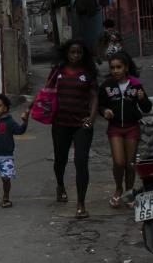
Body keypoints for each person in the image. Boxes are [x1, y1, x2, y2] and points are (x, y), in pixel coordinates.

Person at [47, 39, 99, 218]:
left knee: (81, 161)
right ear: (66, 53)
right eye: (72, 52)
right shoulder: (58, 71)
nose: (75, 56)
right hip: (60, 123)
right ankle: (60, 185)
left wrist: (92, 117)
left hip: (82, 124)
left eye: (79, 53)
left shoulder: (88, 73)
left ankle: (81, 203)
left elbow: (94, 96)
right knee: (60, 159)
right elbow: (47, 92)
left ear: (83, 55)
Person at [98, 51, 152, 207]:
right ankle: (118, 189)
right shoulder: (107, 85)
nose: (115, 70)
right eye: (112, 67)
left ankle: (129, 192)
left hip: (132, 128)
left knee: (130, 163)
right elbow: (101, 105)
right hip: (115, 128)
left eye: (119, 67)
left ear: (126, 67)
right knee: (118, 162)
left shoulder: (135, 85)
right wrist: (105, 111)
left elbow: (147, 108)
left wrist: (142, 99)